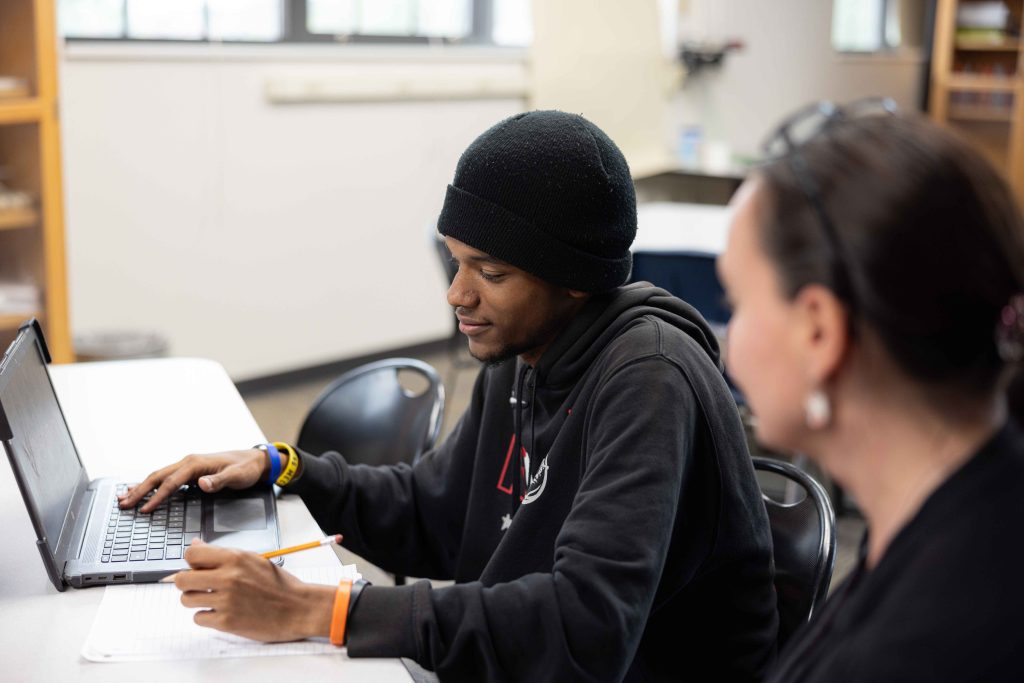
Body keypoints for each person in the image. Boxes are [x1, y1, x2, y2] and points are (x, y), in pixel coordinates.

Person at [119, 110, 778, 682]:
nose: (457, 293)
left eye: (491, 272)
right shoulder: (525, 354)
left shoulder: (649, 380)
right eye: (456, 259)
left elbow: (586, 629)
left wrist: (320, 609)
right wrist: (282, 469)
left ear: (575, 280)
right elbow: (436, 513)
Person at [716, 100, 1024, 682]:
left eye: (737, 303)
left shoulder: (928, 644)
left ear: (819, 332)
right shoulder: (969, 507)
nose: (730, 341)